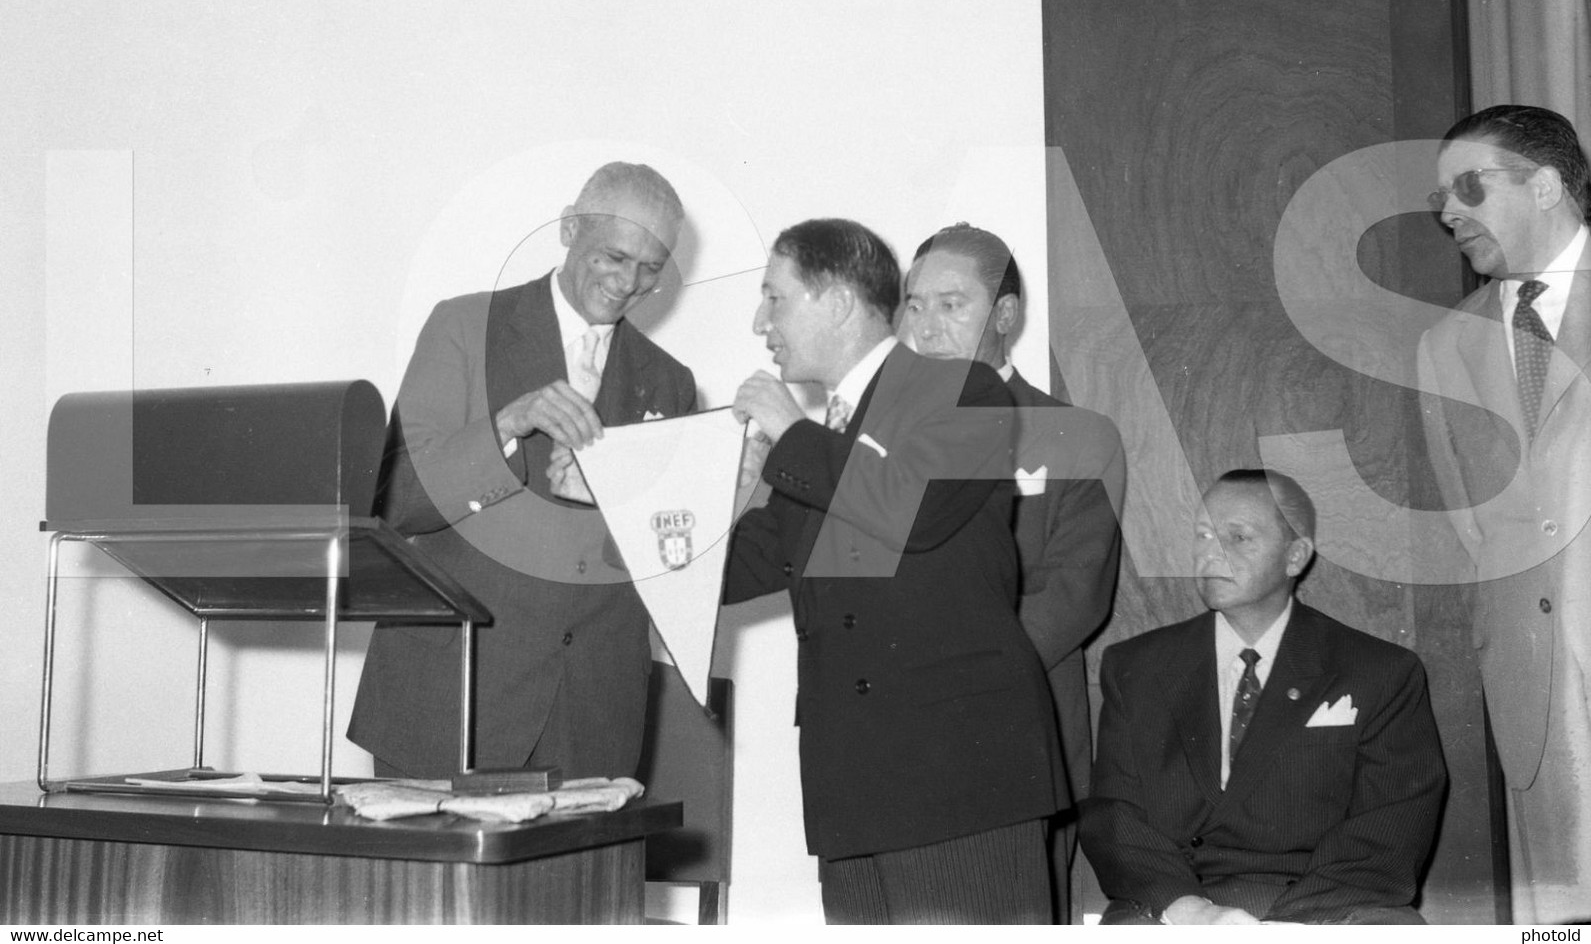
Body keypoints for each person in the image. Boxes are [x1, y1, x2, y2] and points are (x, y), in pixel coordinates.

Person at [725, 217, 1064, 924]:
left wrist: (792, 436)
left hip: (954, 781)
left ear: (840, 302)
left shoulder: (965, 390)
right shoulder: (822, 438)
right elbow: (746, 565)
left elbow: (911, 512)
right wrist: (604, 500)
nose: (761, 322)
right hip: (851, 786)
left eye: (775, 298)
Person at [348, 161, 697, 780]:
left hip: (591, 721)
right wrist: (507, 425)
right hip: (450, 701)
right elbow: (396, 501)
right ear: (568, 229)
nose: (629, 283)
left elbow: (665, 563)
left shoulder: (670, 381)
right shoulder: (462, 326)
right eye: (614, 257)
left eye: (651, 268)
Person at [1079, 470, 1446, 925]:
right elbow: (1115, 817)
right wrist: (1190, 911)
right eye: (1203, 535)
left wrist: (1285, 927)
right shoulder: (1137, 667)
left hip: (1331, 906)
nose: (1212, 553)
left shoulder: (1378, 671)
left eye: (1238, 537)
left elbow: (1392, 826)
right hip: (1178, 906)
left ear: (1295, 556)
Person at [899, 222, 1124, 922]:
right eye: (913, 304)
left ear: (1003, 316)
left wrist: (958, 677)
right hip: (893, 743)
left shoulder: (1074, 433)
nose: (925, 327)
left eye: (949, 304)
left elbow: (1074, 593)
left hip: (1014, 732)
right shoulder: (878, 436)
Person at [1418, 104, 1591, 923]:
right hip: (1535, 691)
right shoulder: (1443, 348)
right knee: (1559, 928)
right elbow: (1473, 530)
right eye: (1439, 198)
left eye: (1468, 185)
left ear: (1547, 184)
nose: (1447, 210)